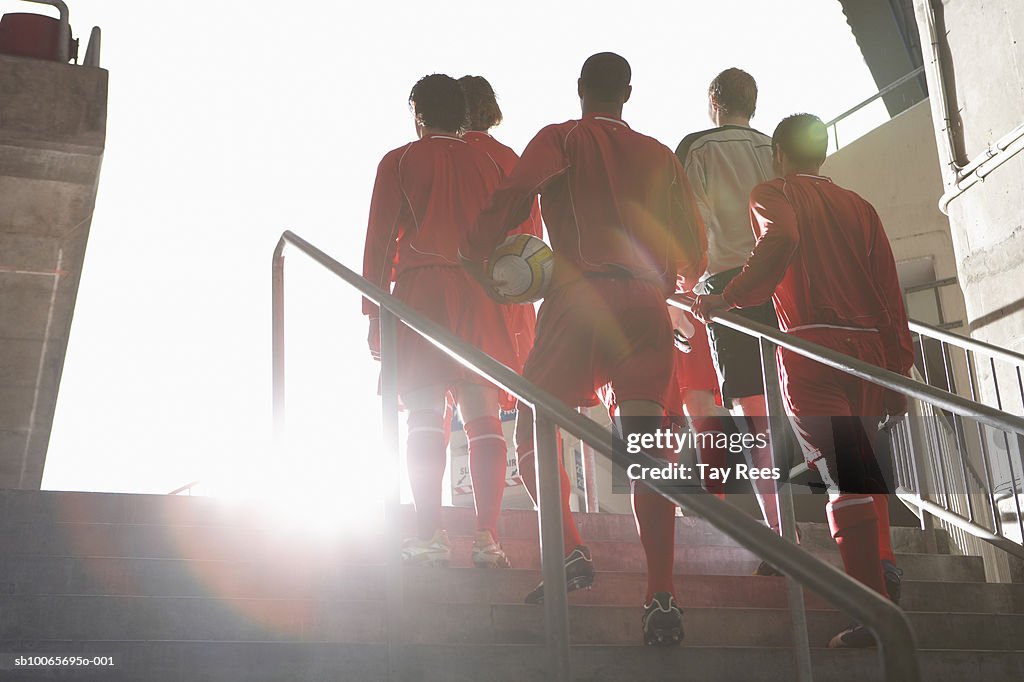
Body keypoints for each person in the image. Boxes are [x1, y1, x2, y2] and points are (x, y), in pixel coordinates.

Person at [461, 52, 706, 646]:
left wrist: (477, 252)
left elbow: (516, 193)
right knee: (648, 447)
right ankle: (662, 593)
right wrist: (675, 281)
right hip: (646, 308)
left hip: (580, 298)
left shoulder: (562, 138)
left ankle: (569, 548)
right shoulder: (659, 154)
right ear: (628, 92)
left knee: (533, 425)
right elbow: (694, 248)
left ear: (580, 89)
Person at [693, 113, 913, 648]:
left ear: (778, 155)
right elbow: (889, 288)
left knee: (840, 478)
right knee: (858, 462)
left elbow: (782, 238)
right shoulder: (860, 206)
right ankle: (879, 565)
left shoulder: (772, 192)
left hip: (811, 345)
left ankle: (873, 612)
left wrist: (732, 296)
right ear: (823, 153)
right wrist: (897, 369)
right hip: (865, 351)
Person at [362, 73, 518, 570]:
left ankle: (430, 534)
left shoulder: (400, 160)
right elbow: (517, 236)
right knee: (484, 415)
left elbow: (381, 241)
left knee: (426, 414)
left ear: (417, 113)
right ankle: (487, 538)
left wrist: (372, 312)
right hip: (482, 290)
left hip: (422, 291)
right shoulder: (493, 160)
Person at [676, 68, 783, 562]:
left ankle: (780, 538)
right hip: (780, 283)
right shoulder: (773, 148)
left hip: (723, 284)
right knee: (797, 407)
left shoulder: (697, 148)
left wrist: (685, 282)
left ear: (714, 101)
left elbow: (686, 218)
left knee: (751, 413)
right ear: (754, 104)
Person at [458, 75, 544, 372]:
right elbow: (533, 231)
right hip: (513, 281)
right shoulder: (511, 159)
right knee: (511, 387)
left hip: (461, 283)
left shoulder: (450, 156)